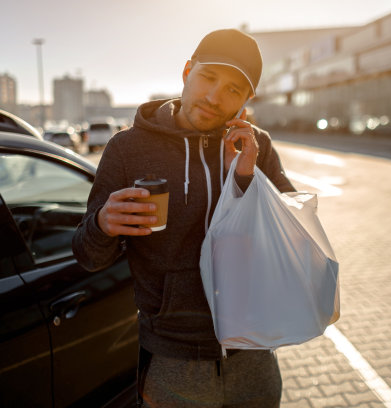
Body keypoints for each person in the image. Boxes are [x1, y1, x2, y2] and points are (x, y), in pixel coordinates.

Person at [73, 28, 295, 407]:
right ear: (187, 71)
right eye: (209, 77)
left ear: (246, 99)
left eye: (233, 89)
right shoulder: (127, 149)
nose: (214, 97)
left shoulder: (255, 145)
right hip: (173, 357)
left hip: (254, 348)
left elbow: (291, 240)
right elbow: (89, 255)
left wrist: (244, 179)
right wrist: (102, 225)